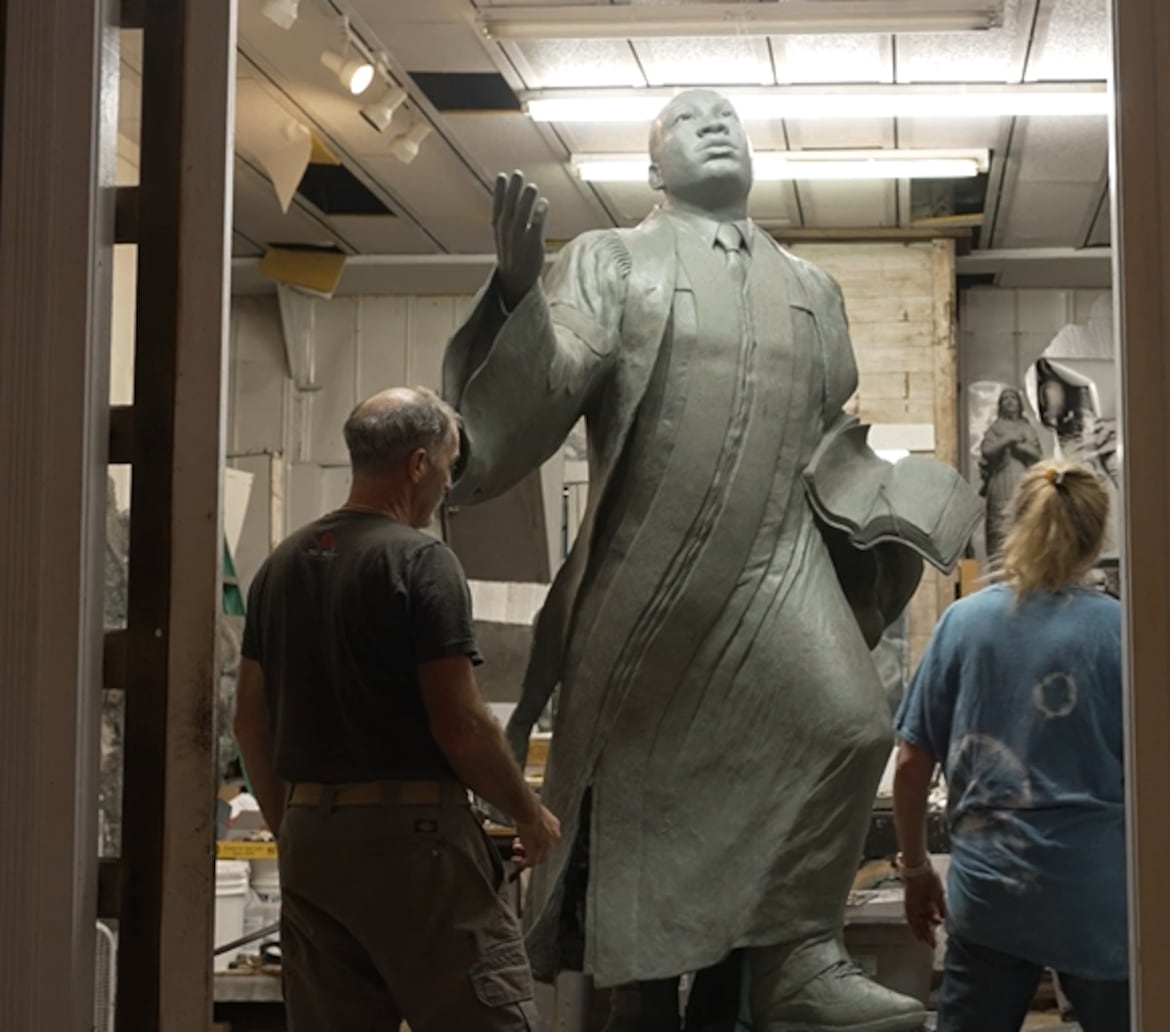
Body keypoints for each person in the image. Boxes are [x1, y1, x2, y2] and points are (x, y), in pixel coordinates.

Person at [441, 89, 979, 1031]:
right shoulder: (613, 260)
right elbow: (545, 387)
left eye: (728, 117)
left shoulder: (812, 289)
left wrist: (902, 495)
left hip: (777, 557)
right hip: (653, 575)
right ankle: (659, 991)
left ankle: (794, 953)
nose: (716, 124)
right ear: (654, 170)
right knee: (642, 811)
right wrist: (520, 295)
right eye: (688, 121)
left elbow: (826, 439)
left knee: (852, 725)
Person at [233, 386, 562, 1032]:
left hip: (311, 845)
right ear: (417, 464)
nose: (446, 483)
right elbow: (461, 725)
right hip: (415, 852)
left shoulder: (280, 565)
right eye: (447, 463)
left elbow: (250, 721)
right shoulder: (420, 561)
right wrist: (529, 814)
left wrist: (296, 826)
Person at [892, 462, 1129, 1032]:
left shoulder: (962, 623)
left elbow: (910, 763)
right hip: (1095, 892)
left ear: (1012, 526)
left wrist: (917, 869)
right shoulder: (1122, 630)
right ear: (1096, 539)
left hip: (993, 890)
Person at [977, 387, 1042, 561]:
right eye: (1005, 399)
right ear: (1000, 405)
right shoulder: (996, 428)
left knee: (1024, 522)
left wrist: (1018, 447)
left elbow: (1037, 455)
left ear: (1020, 404)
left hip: (1022, 479)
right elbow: (987, 451)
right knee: (999, 526)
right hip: (1000, 480)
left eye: (1013, 398)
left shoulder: (1027, 428)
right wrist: (1008, 440)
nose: (1010, 402)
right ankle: (998, 569)